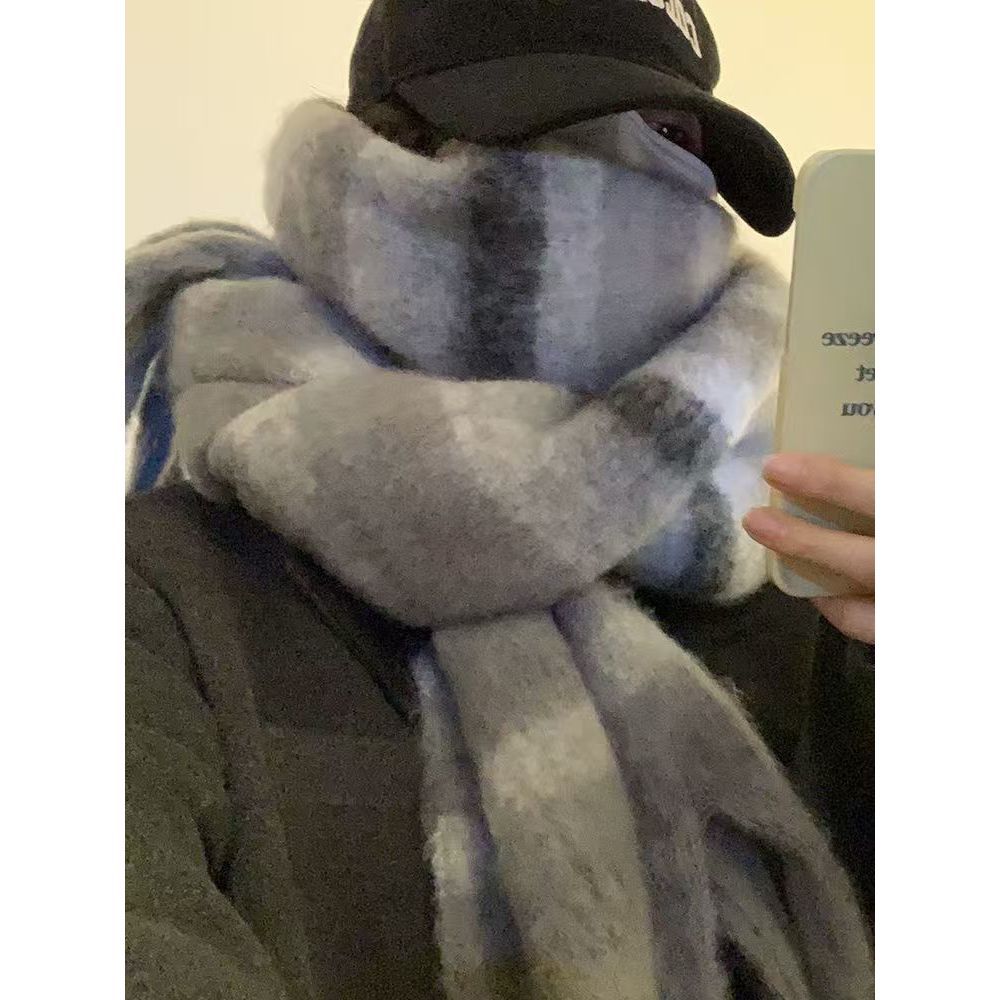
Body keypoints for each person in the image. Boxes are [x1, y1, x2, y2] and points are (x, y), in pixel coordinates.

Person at [124, 2, 874, 998]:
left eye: (677, 143)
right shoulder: (158, 593)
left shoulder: (803, 563)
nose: (649, 197)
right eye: (560, 134)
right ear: (377, 160)